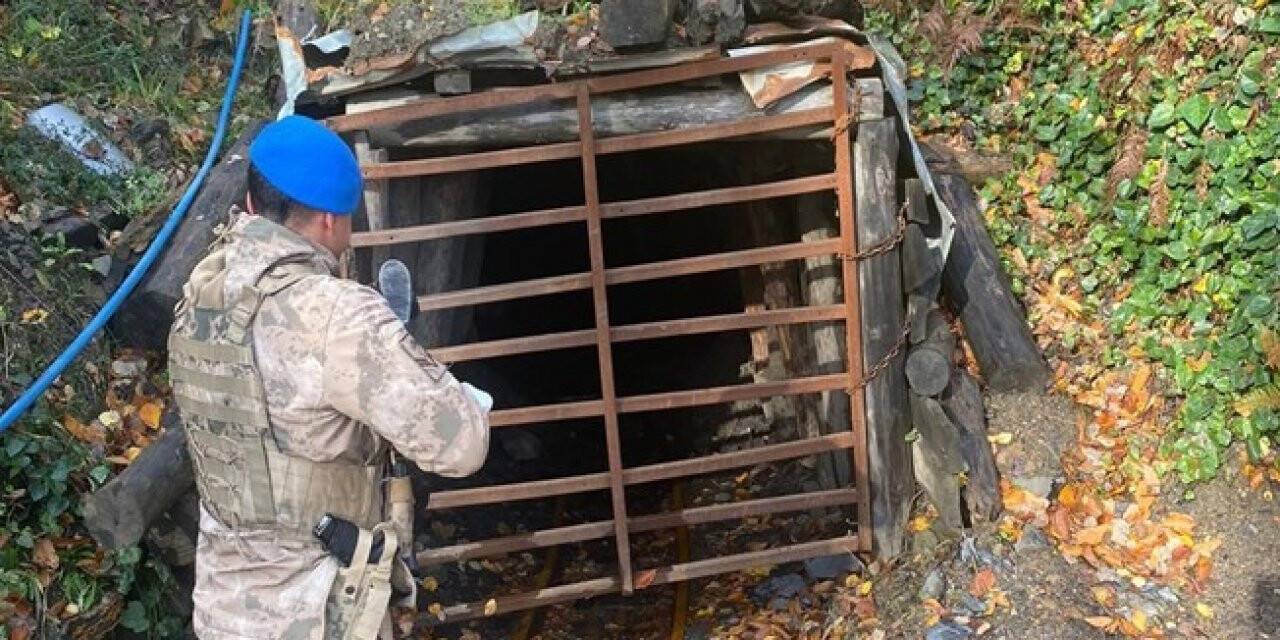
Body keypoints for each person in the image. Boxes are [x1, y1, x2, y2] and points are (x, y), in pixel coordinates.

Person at [167, 115, 492, 640]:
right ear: (326, 221)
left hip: (226, 608)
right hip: (318, 610)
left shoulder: (201, 291)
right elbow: (461, 447)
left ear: (252, 204)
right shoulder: (337, 316)